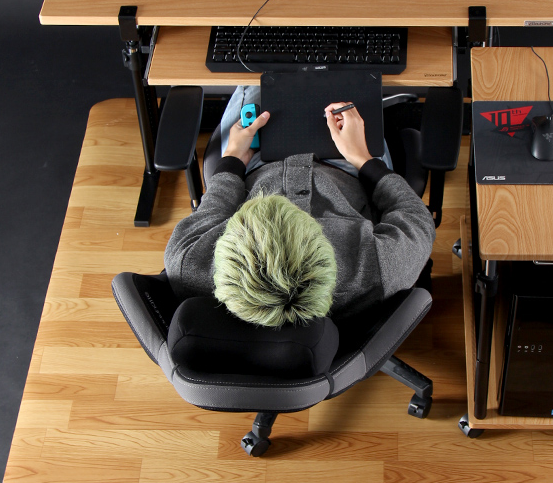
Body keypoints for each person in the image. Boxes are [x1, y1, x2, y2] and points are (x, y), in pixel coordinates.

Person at [164, 86, 436, 327]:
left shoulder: (187, 265)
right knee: (350, 85)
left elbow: (213, 209)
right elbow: (416, 217)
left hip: (252, 165)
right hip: (350, 167)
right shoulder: (380, 271)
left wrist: (233, 158)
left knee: (257, 75)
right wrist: (362, 158)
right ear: (325, 241)